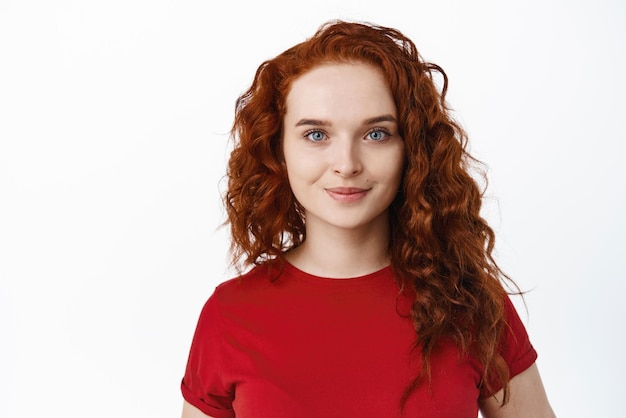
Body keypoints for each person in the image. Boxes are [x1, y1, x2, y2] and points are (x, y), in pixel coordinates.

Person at [180, 20, 555, 418]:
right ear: (278, 148)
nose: (346, 164)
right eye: (316, 135)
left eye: (376, 134)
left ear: (413, 148)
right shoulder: (230, 315)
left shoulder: (471, 304)